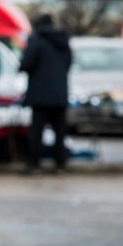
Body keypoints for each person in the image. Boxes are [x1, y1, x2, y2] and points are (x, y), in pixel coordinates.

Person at [19, 14, 72, 173]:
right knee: (60, 132)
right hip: (59, 94)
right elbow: (68, 64)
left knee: (36, 132)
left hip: (40, 95)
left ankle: (33, 164)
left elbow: (26, 64)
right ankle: (60, 164)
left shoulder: (37, 41)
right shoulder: (63, 41)